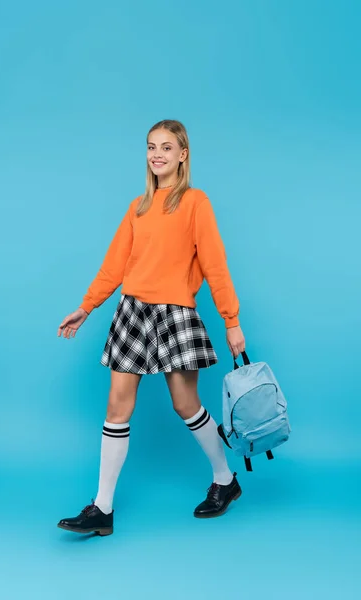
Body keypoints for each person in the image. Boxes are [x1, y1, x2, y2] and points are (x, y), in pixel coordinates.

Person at [56, 119, 246, 536]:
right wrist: (85, 307)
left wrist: (232, 322)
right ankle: (101, 509)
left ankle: (225, 480)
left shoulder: (196, 202)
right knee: (116, 407)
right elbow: (114, 266)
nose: (156, 154)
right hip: (132, 312)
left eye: (166, 147)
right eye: (150, 147)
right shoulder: (137, 207)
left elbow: (215, 266)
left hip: (175, 314)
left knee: (185, 405)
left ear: (183, 154)